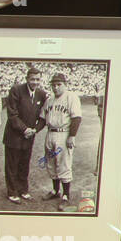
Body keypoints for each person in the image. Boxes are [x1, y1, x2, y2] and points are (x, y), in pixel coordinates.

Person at [41, 73, 83, 211]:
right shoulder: (49, 100)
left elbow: (76, 118)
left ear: (65, 85)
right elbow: (42, 118)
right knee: (51, 164)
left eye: (59, 84)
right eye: (53, 84)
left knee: (64, 164)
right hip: (50, 134)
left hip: (64, 134)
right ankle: (55, 191)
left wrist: (72, 136)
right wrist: (33, 130)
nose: (55, 87)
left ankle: (65, 195)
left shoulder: (71, 97)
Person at [4, 66, 46, 203]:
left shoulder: (41, 94)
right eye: (32, 79)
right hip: (14, 136)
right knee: (12, 165)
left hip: (29, 137)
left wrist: (35, 130)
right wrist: (24, 129)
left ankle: (23, 190)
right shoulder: (16, 90)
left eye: (37, 79)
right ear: (27, 78)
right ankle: (12, 192)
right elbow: (12, 114)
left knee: (24, 164)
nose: (35, 82)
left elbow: (43, 116)